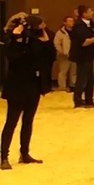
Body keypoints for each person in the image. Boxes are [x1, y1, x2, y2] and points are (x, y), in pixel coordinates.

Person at [2, 14, 56, 170]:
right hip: (17, 86)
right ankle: (3, 156)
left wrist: (46, 40)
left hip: (33, 85)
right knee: (11, 122)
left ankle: (24, 153)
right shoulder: (13, 40)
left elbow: (50, 57)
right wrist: (16, 37)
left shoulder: (38, 42)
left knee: (28, 121)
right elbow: (12, 56)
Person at [70, 5, 94, 109]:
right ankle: (78, 101)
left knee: (90, 79)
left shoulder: (91, 24)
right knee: (81, 79)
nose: (92, 13)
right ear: (84, 14)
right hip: (82, 57)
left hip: (90, 56)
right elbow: (84, 42)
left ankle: (89, 101)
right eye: (90, 11)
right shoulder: (78, 26)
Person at [53, 15, 76, 92]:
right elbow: (57, 44)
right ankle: (62, 87)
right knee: (63, 72)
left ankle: (73, 86)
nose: (71, 22)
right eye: (69, 21)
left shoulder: (76, 31)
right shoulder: (60, 33)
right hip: (64, 55)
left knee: (74, 72)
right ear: (64, 22)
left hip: (74, 54)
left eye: (72, 21)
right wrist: (62, 52)